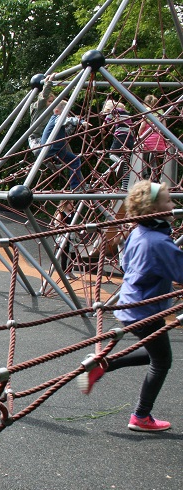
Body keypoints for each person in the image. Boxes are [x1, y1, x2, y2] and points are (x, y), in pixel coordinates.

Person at [79, 181, 181, 432]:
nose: (174, 204)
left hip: (130, 305)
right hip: (145, 311)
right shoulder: (159, 243)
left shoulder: (138, 232)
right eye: (168, 200)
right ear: (153, 209)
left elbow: (127, 265)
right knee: (162, 361)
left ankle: (102, 365)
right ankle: (140, 416)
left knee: (154, 354)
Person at [40, 100, 85, 190]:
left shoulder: (56, 122)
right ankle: (75, 187)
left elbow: (66, 132)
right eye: (66, 112)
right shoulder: (56, 118)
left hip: (55, 150)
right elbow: (67, 120)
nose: (67, 114)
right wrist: (80, 121)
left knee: (74, 161)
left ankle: (74, 185)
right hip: (52, 150)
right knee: (75, 161)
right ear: (57, 111)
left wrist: (74, 123)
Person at [101, 99, 136, 190]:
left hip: (121, 137)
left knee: (111, 153)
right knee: (125, 167)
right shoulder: (127, 114)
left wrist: (104, 127)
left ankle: (119, 161)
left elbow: (107, 120)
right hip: (130, 140)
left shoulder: (114, 110)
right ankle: (125, 187)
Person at [138, 94, 167, 182]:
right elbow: (164, 126)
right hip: (157, 138)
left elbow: (143, 125)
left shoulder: (146, 110)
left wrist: (139, 135)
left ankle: (145, 175)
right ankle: (154, 176)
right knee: (153, 159)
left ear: (146, 103)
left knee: (143, 158)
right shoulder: (160, 111)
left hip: (147, 137)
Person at [28, 73, 55, 154]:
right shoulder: (37, 107)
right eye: (49, 101)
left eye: (53, 101)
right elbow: (43, 97)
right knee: (39, 152)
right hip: (36, 137)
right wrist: (48, 83)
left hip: (47, 137)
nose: (52, 104)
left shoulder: (52, 112)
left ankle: (62, 162)